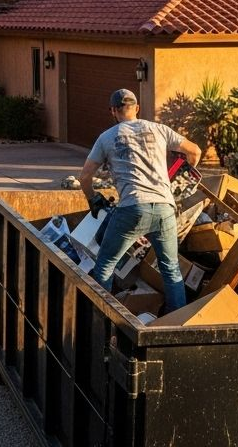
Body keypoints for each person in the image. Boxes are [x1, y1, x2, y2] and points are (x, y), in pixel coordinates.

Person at [79, 88, 201, 313]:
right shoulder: (160, 129)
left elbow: (85, 177)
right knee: (171, 269)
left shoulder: (107, 137)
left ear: (113, 111)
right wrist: (180, 177)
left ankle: (101, 323)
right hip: (165, 208)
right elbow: (194, 151)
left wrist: (93, 199)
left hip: (132, 209)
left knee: (105, 266)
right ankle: (177, 325)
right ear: (137, 108)